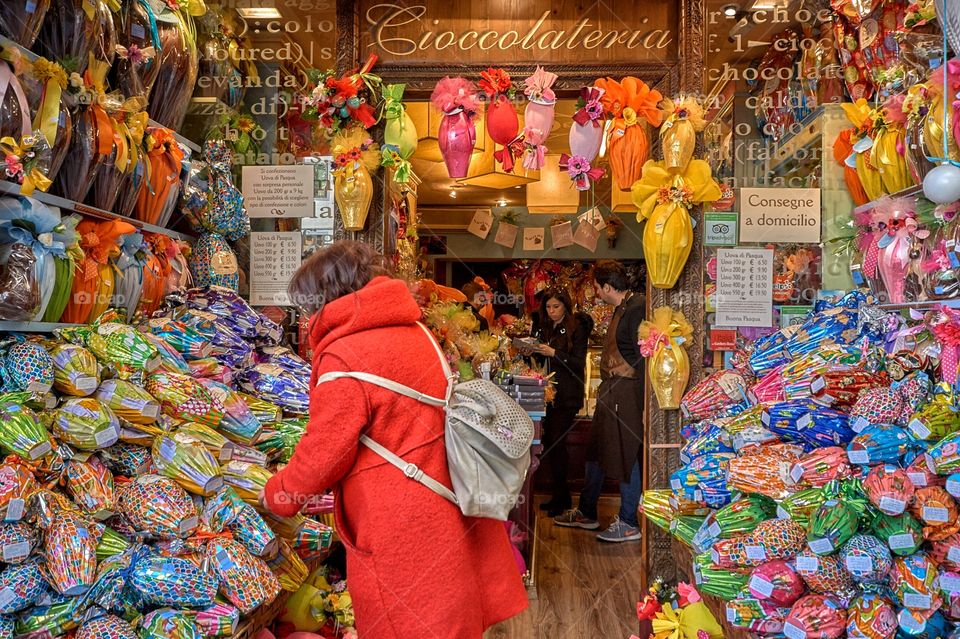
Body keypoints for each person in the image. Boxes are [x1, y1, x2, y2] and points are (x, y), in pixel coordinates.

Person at [262, 241, 528, 637]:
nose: (307, 316)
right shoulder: (415, 331)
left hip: (400, 525)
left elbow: (324, 455)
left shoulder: (343, 355)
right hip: (445, 499)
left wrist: (278, 494)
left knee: (402, 624)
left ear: (326, 297)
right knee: (447, 620)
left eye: (307, 305)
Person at [554, 260, 644, 543]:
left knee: (626, 454)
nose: (594, 292)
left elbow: (644, 359)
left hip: (627, 392)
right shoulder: (623, 307)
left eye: (595, 287)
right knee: (595, 452)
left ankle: (629, 521)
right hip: (611, 389)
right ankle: (587, 511)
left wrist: (644, 407)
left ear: (607, 287)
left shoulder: (637, 308)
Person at [529, 287, 592, 517]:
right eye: (548, 307)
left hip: (567, 395)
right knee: (550, 443)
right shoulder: (543, 326)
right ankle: (560, 495)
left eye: (556, 306)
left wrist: (553, 352)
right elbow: (537, 357)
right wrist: (531, 349)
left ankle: (562, 497)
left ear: (566, 305)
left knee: (556, 442)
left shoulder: (577, 326)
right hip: (546, 394)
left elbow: (578, 362)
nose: (552, 311)